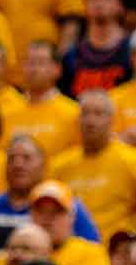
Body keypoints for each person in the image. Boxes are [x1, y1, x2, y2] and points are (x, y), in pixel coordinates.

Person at [0, 133, 99, 249]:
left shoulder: (66, 208)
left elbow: (93, 250)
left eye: (27, 158)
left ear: (44, 165)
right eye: (12, 158)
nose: (18, 164)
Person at [52, 89, 136, 240]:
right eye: (85, 114)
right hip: (72, 251)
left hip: (117, 250)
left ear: (112, 120)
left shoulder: (131, 161)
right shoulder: (60, 165)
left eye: (98, 114)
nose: (90, 121)